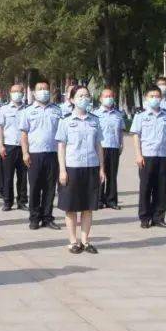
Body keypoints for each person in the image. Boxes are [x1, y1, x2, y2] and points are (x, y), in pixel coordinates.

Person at [57, 86, 105, 254]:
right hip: (72, 167)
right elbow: (61, 147)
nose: (84, 98)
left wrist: (102, 169)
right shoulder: (65, 121)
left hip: (91, 167)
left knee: (88, 207)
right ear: (71, 99)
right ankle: (73, 241)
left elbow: (98, 145)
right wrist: (62, 170)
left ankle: (85, 241)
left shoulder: (95, 120)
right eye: (80, 95)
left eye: (86, 95)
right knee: (71, 207)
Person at [130, 86, 166, 229]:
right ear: (146, 98)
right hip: (146, 156)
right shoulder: (141, 116)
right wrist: (138, 154)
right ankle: (145, 217)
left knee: (161, 188)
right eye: (152, 96)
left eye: (157, 96)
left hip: (162, 156)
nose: (155, 98)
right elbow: (136, 135)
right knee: (145, 187)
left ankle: (159, 217)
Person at [20, 80, 62, 230]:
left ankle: (47, 217)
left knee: (50, 187)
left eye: (45, 88)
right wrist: (25, 152)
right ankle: (34, 217)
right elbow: (24, 134)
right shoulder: (28, 111)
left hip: (53, 153)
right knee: (35, 187)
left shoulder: (57, 110)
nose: (43, 91)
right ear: (33, 92)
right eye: (40, 88)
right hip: (35, 154)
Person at [0, 83, 28, 212]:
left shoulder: (28, 109)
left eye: (19, 91)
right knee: (7, 176)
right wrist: (1, 145)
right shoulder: (4, 109)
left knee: (22, 176)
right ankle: (7, 202)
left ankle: (21, 201)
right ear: (10, 93)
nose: (17, 93)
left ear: (23, 93)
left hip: (24, 147)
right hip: (8, 146)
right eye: (14, 91)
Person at [93, 87, 126, 210]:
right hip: (100, 147)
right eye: (106, 96)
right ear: (100, 99)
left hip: (113, 147)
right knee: (100, 174)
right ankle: (99, 200)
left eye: (111, 96)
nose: (109, 98)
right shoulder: (95, 114)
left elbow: (121, 131)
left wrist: (121, 144)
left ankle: (111, 200)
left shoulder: (118, 114)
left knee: (112, 174)